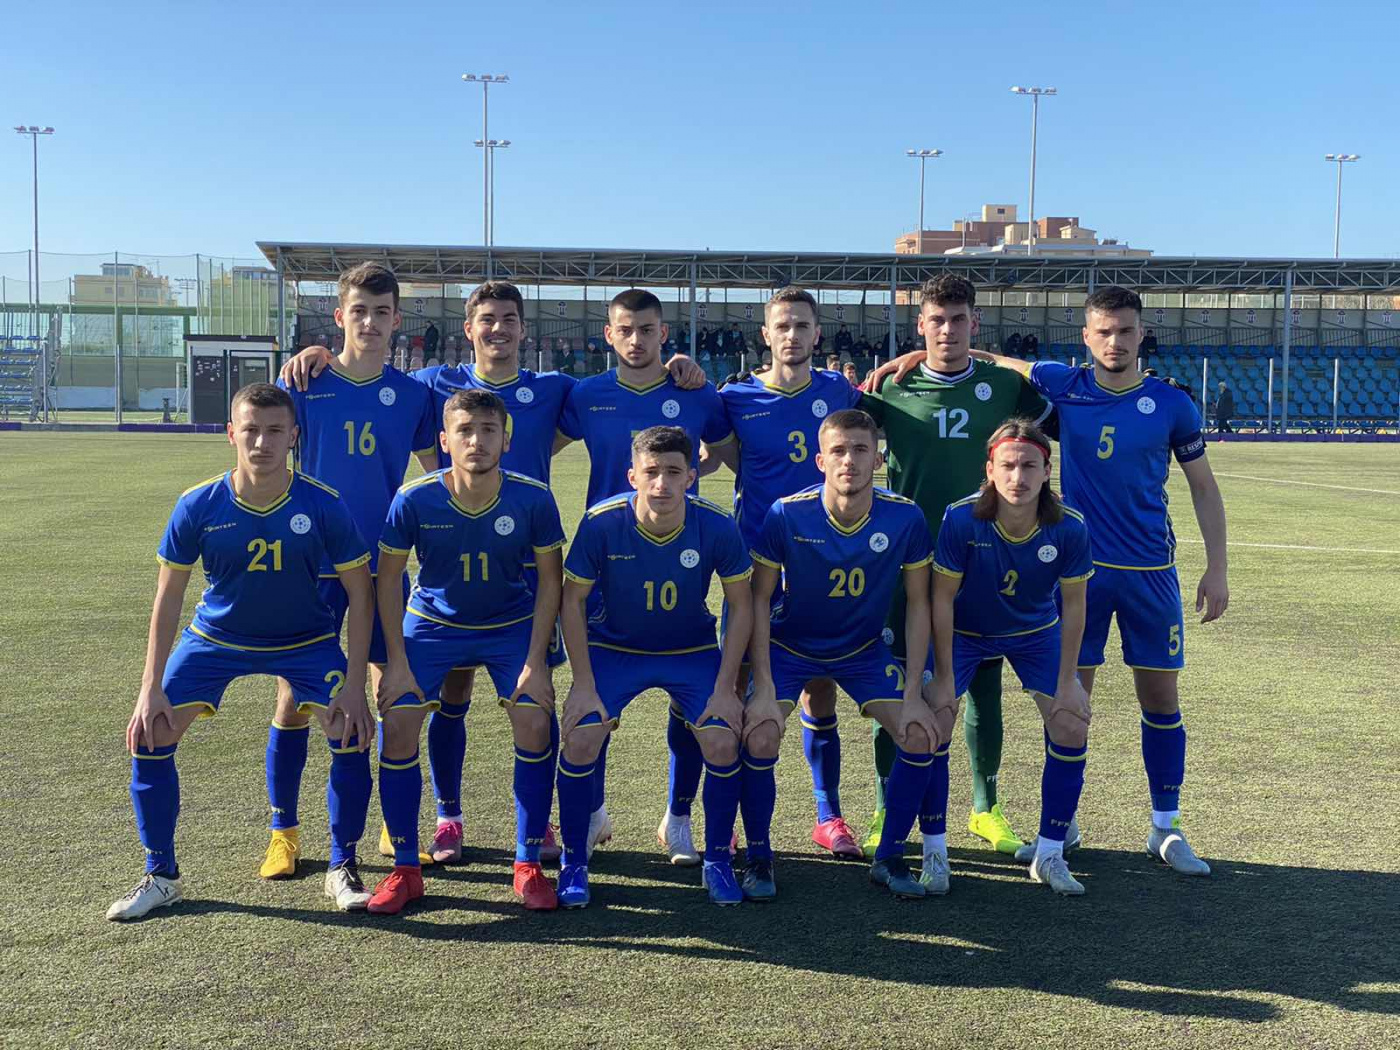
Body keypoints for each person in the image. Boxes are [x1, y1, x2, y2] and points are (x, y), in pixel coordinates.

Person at [283, 283, 706, 864]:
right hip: (452, 566)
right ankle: (446, 817)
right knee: (448, 692)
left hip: (529, 566)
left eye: (509, 319)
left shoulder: (557, 389)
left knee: (536, 697)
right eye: (487, 319)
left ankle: (543, 827)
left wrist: (678, 366)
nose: (498, 329)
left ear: (523, 328)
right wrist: (323, 356)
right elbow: (390, 401)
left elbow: (630, 399)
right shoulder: (432, 386)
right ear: (469, 328)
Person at [969, 285, 1229, 875]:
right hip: (1077, 576)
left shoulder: (1171, 403)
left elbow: (1203, 488)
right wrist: (917, 356)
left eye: (1126, 331)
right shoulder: (1065, 384)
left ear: (1142, 335)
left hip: (1151, 574)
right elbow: (999, 362)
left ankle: (1165, 828)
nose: (1115, 341)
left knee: (1160, 700)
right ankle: (1061, 826)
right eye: (1104, 332)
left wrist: (1217, 567)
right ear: (1086, 337)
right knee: (1068, 702)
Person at [109, 383, 376, 921]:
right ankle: (161, 875)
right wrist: (149, 687)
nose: (262, 442)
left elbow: (361, 592)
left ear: (294, 436)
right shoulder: (198, 503)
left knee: (350, 732)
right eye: (251, 430)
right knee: (150, 734)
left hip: (305, 641)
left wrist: (353, 684)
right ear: (231, 433)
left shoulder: (322, 503)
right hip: (216, 640)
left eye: (275, 431)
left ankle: (342, 865)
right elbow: (168, 598)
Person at [860, 274, 1055, 860]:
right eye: (937, 320)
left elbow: (1055, 410)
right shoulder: (887, 388)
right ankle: (886, 806)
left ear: (975, 323)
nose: (948, 330)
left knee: (984, 686)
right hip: (907, 556)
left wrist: (991, 358)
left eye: (959, 319)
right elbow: (844, 436)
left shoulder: (1005, 386)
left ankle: (985, 808)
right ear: (920, 324)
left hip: (983, 554)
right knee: (900, 682)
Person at [264, 262, 437, 885]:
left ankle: (392, 822)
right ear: (339, 317)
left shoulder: (413, 396)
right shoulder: (303, 382)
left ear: (397, 320)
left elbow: (439, 472)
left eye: (381, 312)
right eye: (358, 311)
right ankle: (283, 831)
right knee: (294, 698)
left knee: (393, 693)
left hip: (383, 565)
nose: (369, 322)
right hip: (312, 566)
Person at [371, 389, 566, 913]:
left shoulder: (532, 498)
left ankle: (527, 863)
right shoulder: (414, 498)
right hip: (434, 625)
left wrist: (536, 662)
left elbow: (551, 582)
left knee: (535, 718)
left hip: (509, 624)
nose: (476, 441)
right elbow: (388, 580)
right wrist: (395, 662)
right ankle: (406, 869)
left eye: (487, 430)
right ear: (444, 440)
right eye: (465, 431)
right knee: (399, 718)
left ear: (506, 439)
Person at [693, 286, 862, 862]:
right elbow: (713, 455)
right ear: (765, 335)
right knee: (736, 685)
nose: (792, 335)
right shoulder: (734, 397)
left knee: (820, 685)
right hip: (750, 564)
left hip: (819, 562)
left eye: (802, 326)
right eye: (782, 326)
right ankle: (727, 820)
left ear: (818, 334)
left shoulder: (838, 390)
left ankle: (828, 814)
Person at [555, 289, 729, 849]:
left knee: (688, 696)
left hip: (679, 560)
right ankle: (593, 812)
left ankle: (678, 816)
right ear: (609, 334)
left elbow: (736, 454)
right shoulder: (586, 394)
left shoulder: (695, 392)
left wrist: (689, 477)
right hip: (604, 564)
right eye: (625, 330)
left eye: (647, 330)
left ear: (663, 333)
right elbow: (533, 444)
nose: (636, 340)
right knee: (595, 704)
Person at [556, 426, 754, 907]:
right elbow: (572, 601)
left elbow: (742, 604)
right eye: (651, 472)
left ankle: (717, 860)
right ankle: (573, 861)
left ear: (691, 476)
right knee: (581, 735)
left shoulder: (716, 525)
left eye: (672, 472)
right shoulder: (602, 522)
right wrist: (582, 683)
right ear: (633, 476)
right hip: (614, 649)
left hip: (689, 650)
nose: (661, 483)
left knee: (722, 738)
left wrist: (726, 686)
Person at [745, 409, 939, 900]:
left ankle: (889, 857)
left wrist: (913, 693)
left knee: (919, 734)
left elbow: (919, 604)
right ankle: (759, 858)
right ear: (820, 461)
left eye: (859, 449)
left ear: (878, 458)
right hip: (791, 647)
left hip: (862, 650)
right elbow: (759, 600)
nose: (849, 460)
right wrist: (763, 687)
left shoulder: (905, 516)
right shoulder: (787, 514)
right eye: (838, 451)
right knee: (760, 733)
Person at [929, 419, 1094, 895]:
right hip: (965, 634)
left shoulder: (1069, 526)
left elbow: (1075, 607)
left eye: (1028, 466)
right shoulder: (962, 519)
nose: (1017, 477)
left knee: (1071, 722)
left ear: (1047, 471)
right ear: (989, 470)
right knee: (933, 720)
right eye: (1007, 466)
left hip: (1034, 634)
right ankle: (935, 852)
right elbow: (941, 599)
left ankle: (1050, 852)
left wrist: (1068, 680)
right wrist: (943, 676)